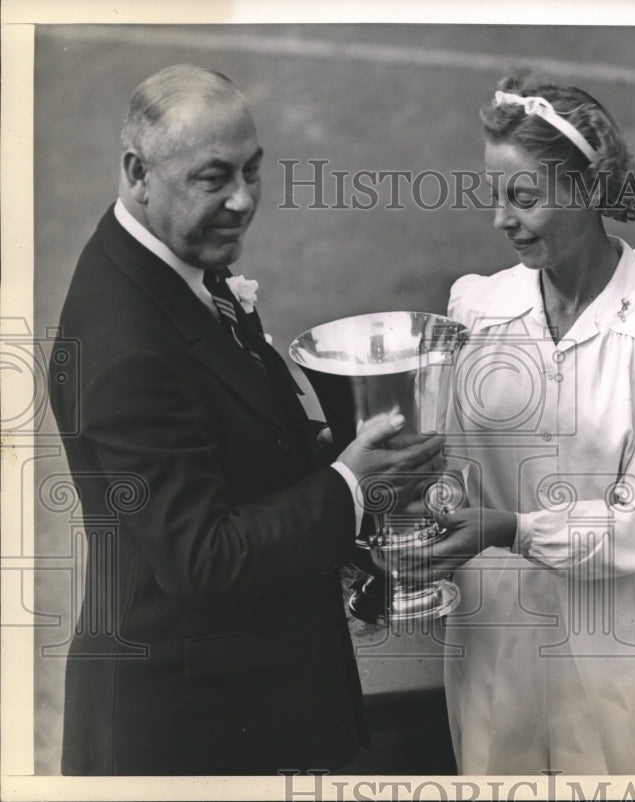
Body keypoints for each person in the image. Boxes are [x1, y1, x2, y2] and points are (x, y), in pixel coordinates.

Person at [48, 64, 443, 775]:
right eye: (214, 177)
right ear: (138, 172)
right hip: (192, 737)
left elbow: (223, 448)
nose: (242, 200)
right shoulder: (124, 344)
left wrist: (331, 449)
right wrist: (348, 487)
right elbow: (203, 557)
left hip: (248, 706)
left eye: (253, 171)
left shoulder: (173, 262)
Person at [400, 73, 635, 774]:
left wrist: (511, 529)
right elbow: (450, 470)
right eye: (495, 197)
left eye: (524, 198)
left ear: (586, 190)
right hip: (493, 633)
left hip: (619, 643)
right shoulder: (475, 308)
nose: (501, 220)